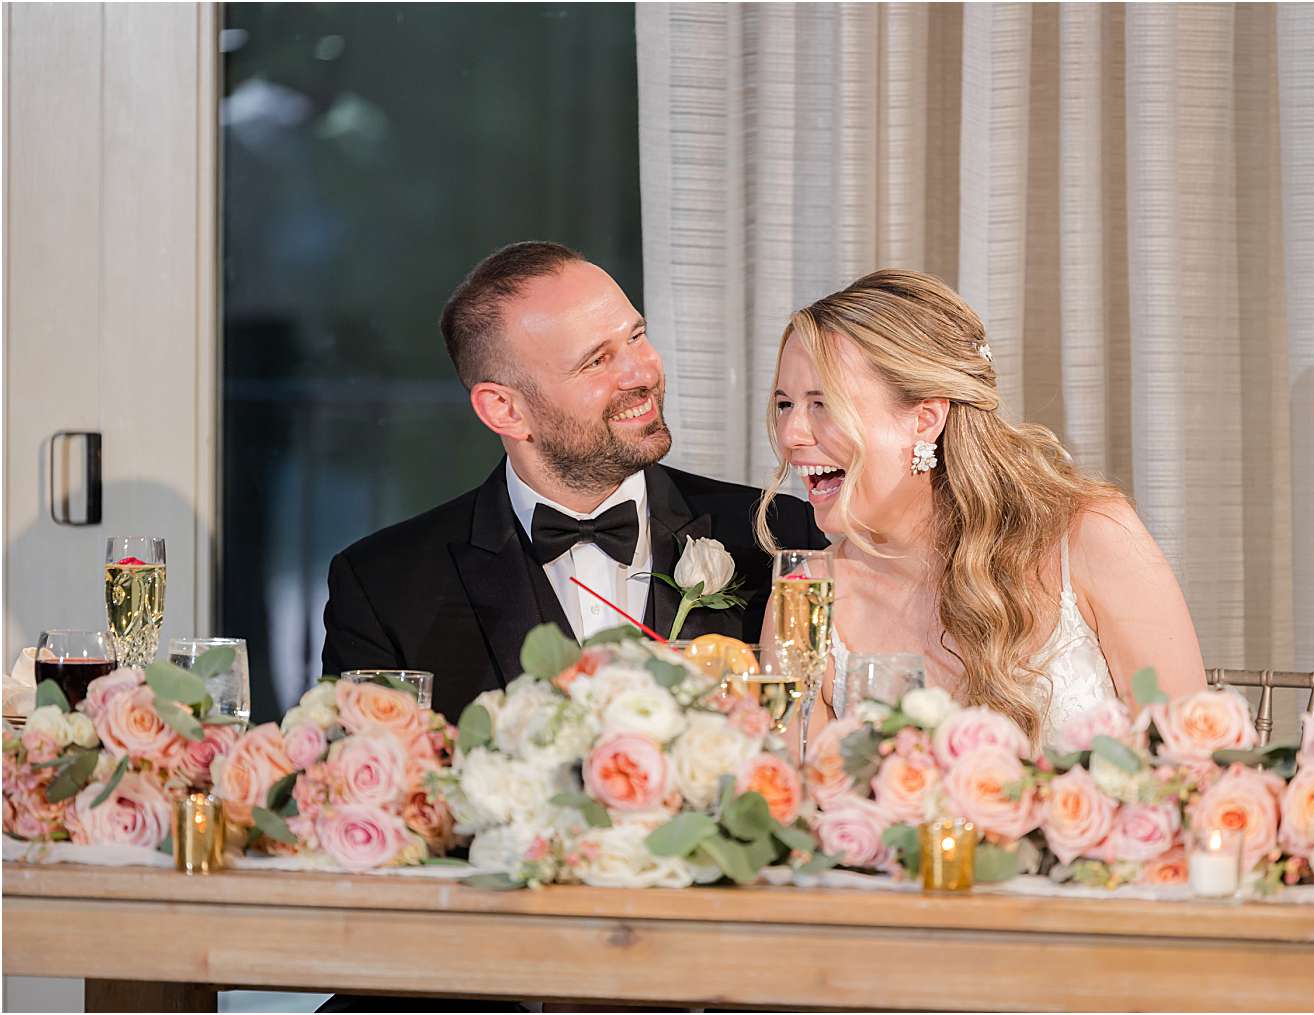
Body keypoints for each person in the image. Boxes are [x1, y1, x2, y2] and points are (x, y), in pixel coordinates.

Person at [321, 241, 824, 722]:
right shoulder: (384, 587)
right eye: (597, 360)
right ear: (505, 409)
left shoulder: (779, 536)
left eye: (636, 335)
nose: (641, 372)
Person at [758, 268, 1207, 746]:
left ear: (926, 419)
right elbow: (795, 804)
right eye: (785, 405)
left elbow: (1192, 770)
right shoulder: (807, 599)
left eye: (822, 404)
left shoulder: (1091, 537)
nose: (791, 436)